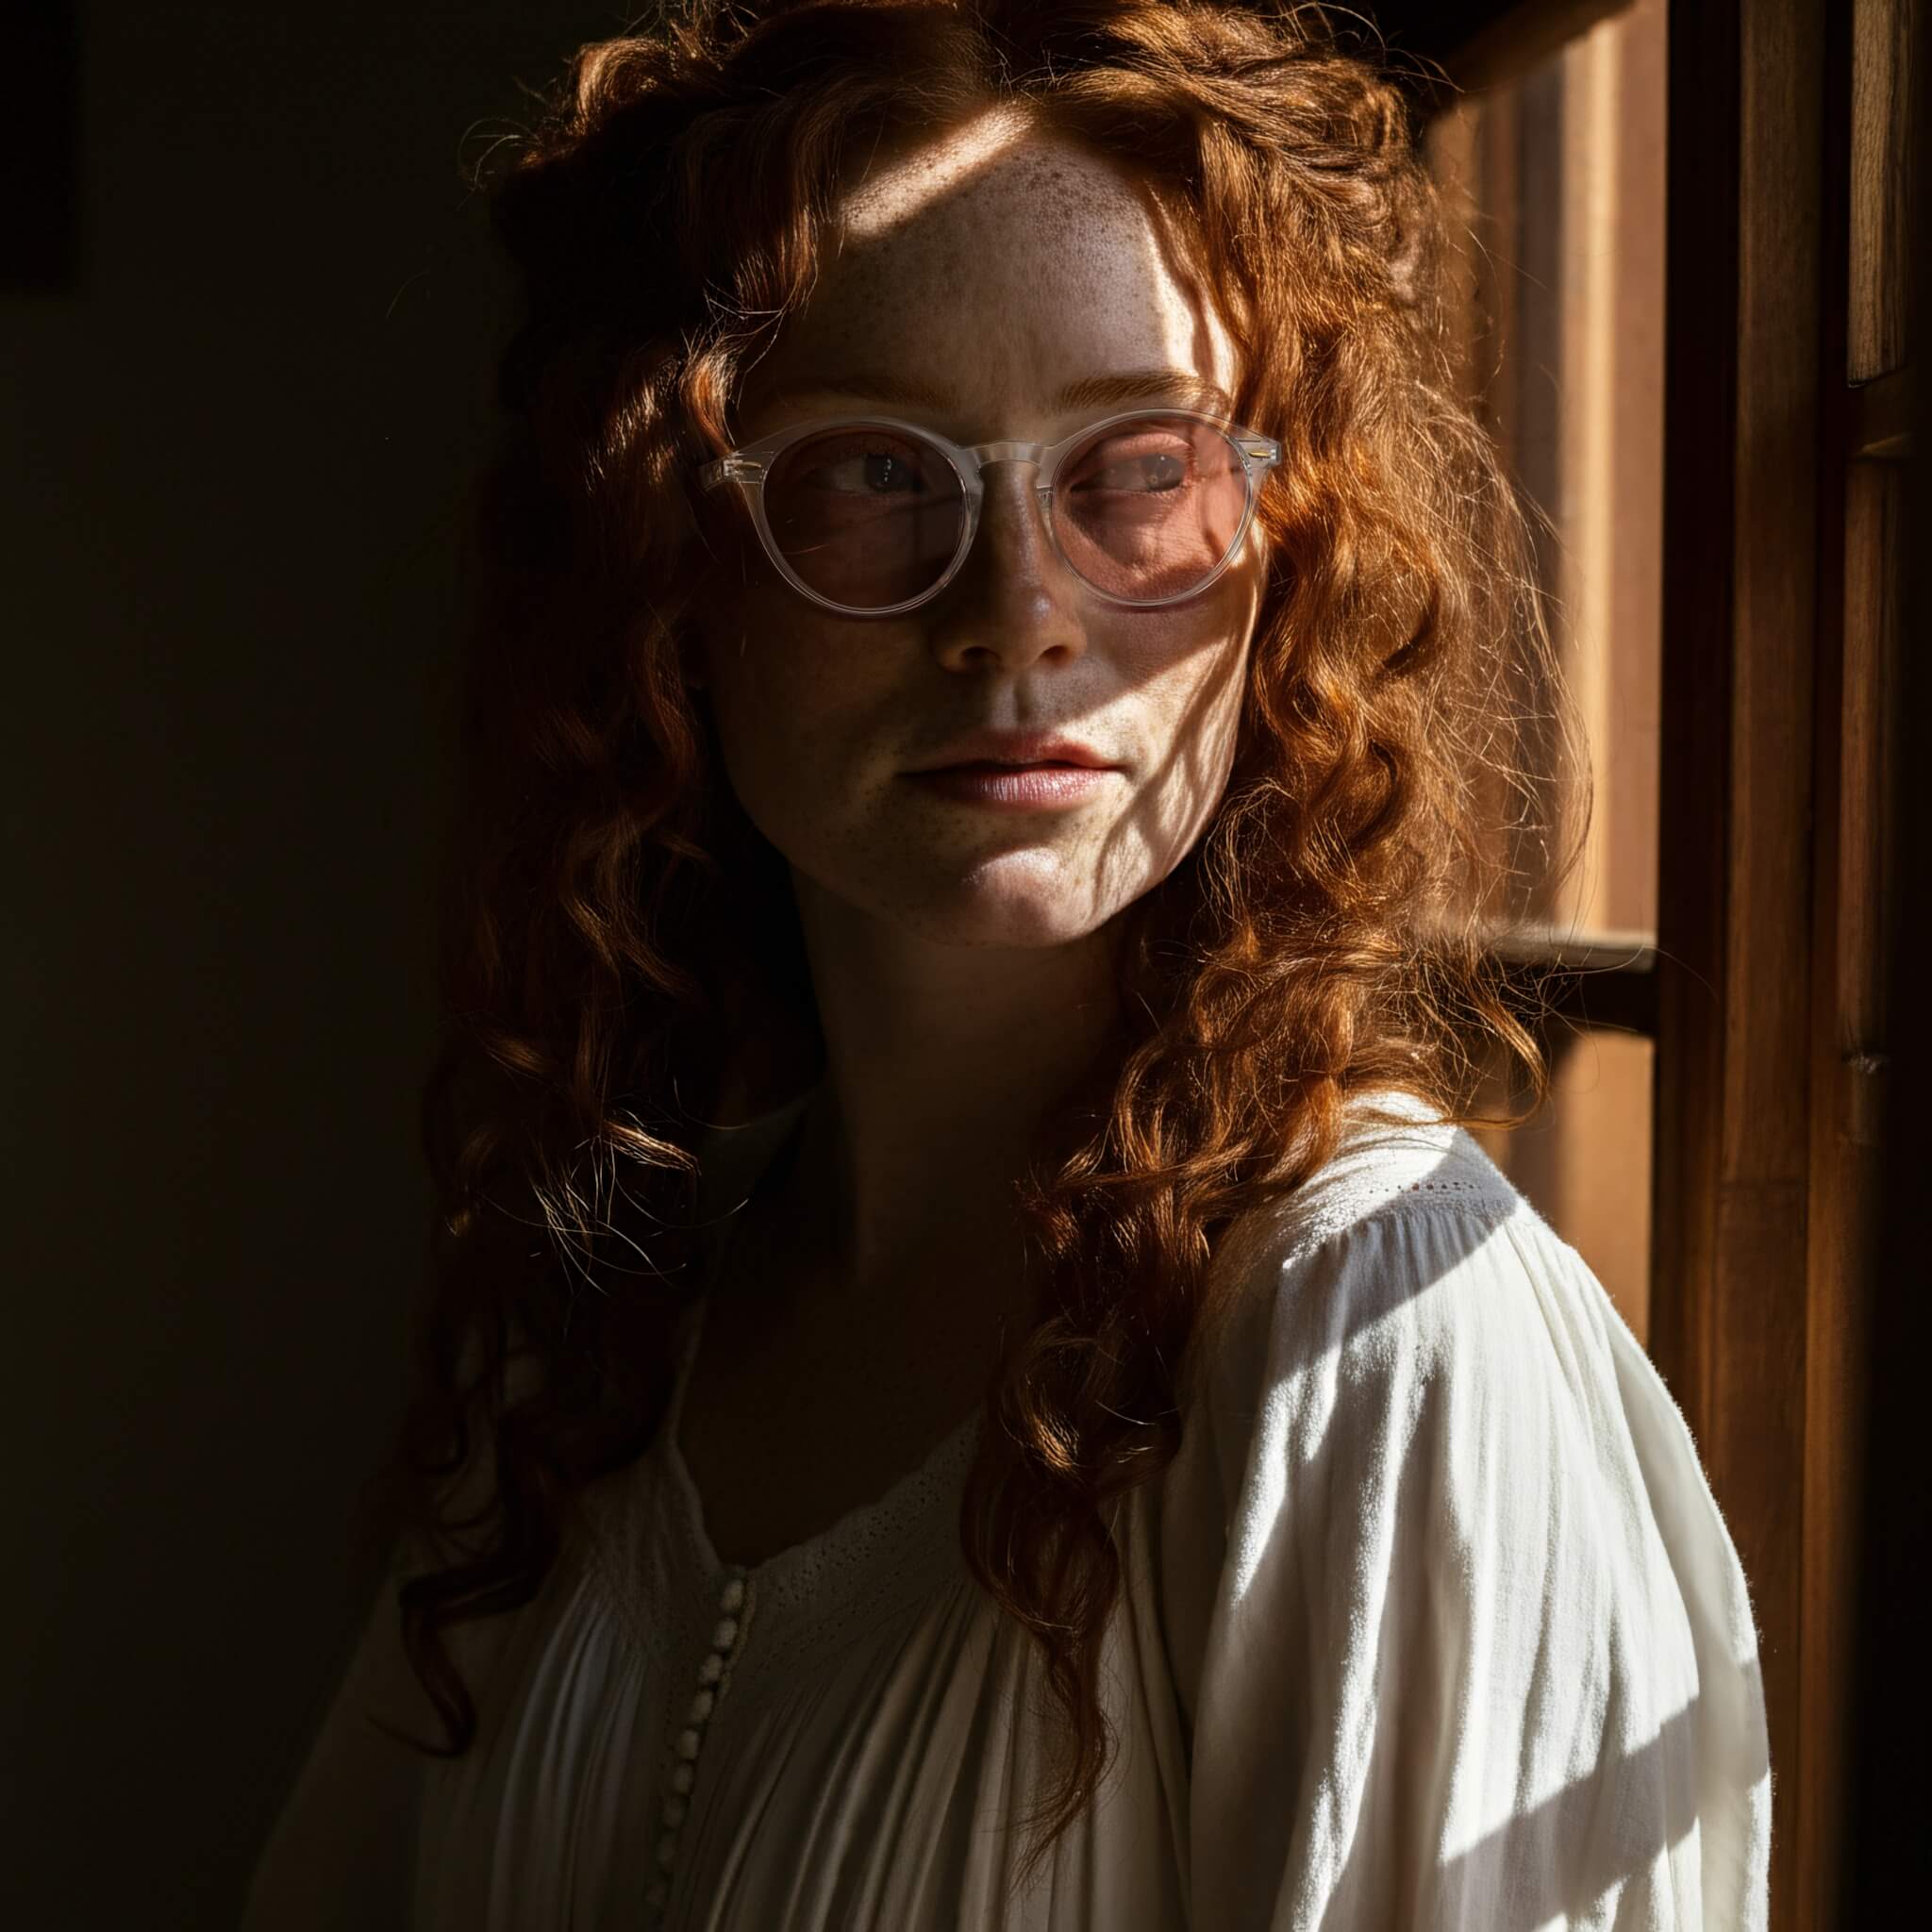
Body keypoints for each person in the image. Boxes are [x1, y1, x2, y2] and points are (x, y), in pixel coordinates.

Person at [243, 2, 1770, 1925]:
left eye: (1137, 472)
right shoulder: (623, 1315)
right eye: (875, 477)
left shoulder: (1373, 1342)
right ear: (666, 573)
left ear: (1276, 548)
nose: (1017, 620)